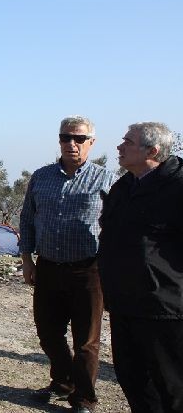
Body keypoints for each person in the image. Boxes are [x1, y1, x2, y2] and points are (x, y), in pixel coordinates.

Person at [19, 115, 115, 413]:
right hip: (48, 267)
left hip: (89, 270)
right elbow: (27, 218)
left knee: (86, 341)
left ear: (91, 143)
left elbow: (119, 225)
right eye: (65, 138)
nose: (71, 144)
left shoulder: (106, 179)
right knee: (47, 332)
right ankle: (62, 381)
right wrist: (26, 259)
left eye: (79, 139)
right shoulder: (41, 176)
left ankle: (84, 398)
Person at [97, 122, 183, 412]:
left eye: (128, 142)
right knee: (134, 381)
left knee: (171, 386)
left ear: (153, 150)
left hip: (164, 308)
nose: (119, 147)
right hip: (124, 304)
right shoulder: (124, 187)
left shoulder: (178, 186)